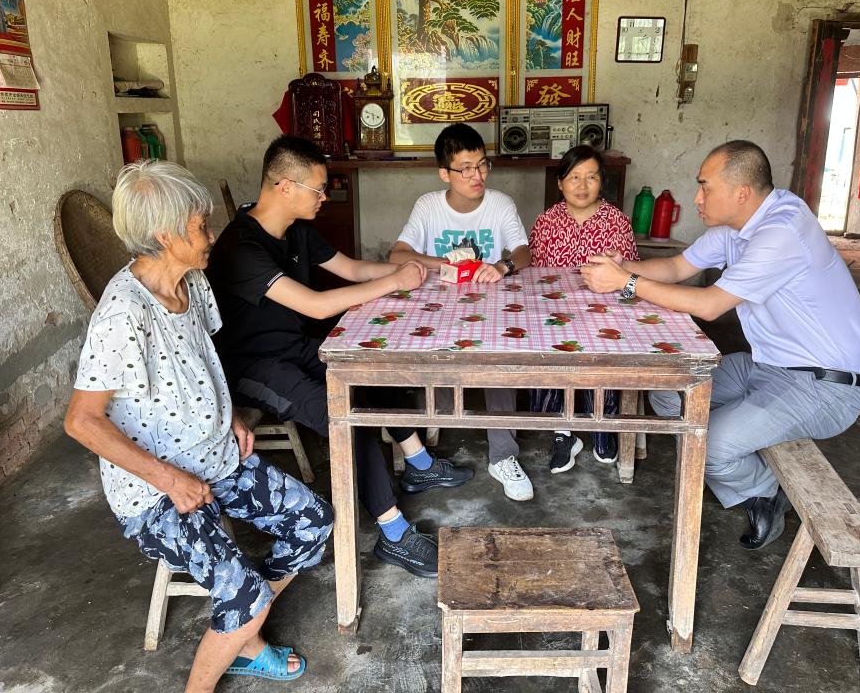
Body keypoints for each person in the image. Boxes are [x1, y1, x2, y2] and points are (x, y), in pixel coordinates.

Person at [65, 160, 332, 691]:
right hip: (156, 491)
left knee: (312, 523)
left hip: (216, 457)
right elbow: (81, 421)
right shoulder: (123, 315)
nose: (212, 236)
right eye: (201, 226)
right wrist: (170, 480)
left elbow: (205, 359)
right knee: (245, 593)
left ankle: (243, 635)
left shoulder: (193, 282)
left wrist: (228, 413)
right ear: (166, 235)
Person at [581, 140, 860, 550]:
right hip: (767, 366)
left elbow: (710, 305)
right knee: (668, 387)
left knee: (708, 446)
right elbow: (678, 267)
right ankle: (737, 446)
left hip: (823, 386)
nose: (696, 198)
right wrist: (623, 266)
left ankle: (764, 492)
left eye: (705, 186)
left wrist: (626, 282)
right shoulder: (737, 227)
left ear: (741, 193)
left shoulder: (781, 232)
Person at [206, 135, 472, 580]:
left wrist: (420, 271)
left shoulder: (296, 229)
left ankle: (420, 466)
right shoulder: (240, 247)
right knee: (347, 418)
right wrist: (395, 282)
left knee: (372, 370)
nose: (324, 197)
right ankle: (393, 534)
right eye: (318, 188)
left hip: (296, 348)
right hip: (253, 367)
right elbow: (315, 306)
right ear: (285, 186)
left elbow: (352, 269)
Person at [388, 122, 534, 501]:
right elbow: (398, 255)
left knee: (500, 362)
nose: (477, 175)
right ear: (445, 173)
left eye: (482, 165)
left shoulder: (500, 204)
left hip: (491, 307)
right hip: (437, 310)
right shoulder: (428, 206)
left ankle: (503, 456)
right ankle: (422, 444)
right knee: (420, 366)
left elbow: (523, 252)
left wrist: (502, 266)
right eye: (465, 168)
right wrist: (446, 262)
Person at [528, 144, 640, 472]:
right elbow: (533, 275)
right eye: (574, 177)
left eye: (591, 177)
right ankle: (562, 430)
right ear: (560, 183)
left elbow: (629, 276)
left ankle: (601, 422)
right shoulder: (546, 222)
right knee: (549, 344)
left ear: (601, 181)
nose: (582, 185)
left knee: (603, 348)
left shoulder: (616, 221)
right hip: (554, 311)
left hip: (602, 311)